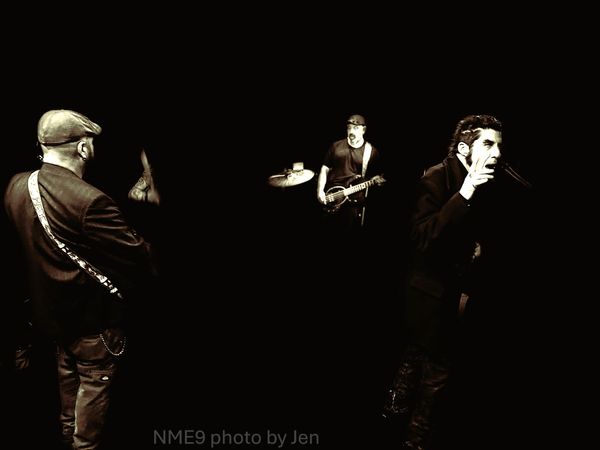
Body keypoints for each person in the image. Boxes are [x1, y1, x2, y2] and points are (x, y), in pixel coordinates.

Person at [3, 109, 158, 449]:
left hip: (51, 319)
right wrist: (149, 206)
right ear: (84, 148)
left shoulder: (16, 185)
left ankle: (68, 440)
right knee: (92, 397)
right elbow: (142, 260)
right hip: (93, 323)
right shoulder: (90, 201)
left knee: (68, 393)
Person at [382, 114, 513, 449]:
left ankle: (396, 413)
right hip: (427, 293)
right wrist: (466, 191)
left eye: (499, 145)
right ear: (464, 147)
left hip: (456, 291)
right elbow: (423, 237)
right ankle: (413, 436)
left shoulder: (487, 179)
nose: (497, 152)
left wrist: (476, 246)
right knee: (430, 366)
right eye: (488, 143)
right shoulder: (436, 176)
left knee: (427, 360)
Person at [316, 114, 384, 233]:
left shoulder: (371, 152)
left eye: (356, 128)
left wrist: (377, 180)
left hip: (353, 201)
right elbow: (324, 168)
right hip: (331, 195)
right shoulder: (336, 146)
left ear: (364, 130)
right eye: (349, 128)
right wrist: (320, 191)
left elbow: (376, 177)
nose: (351, 131)